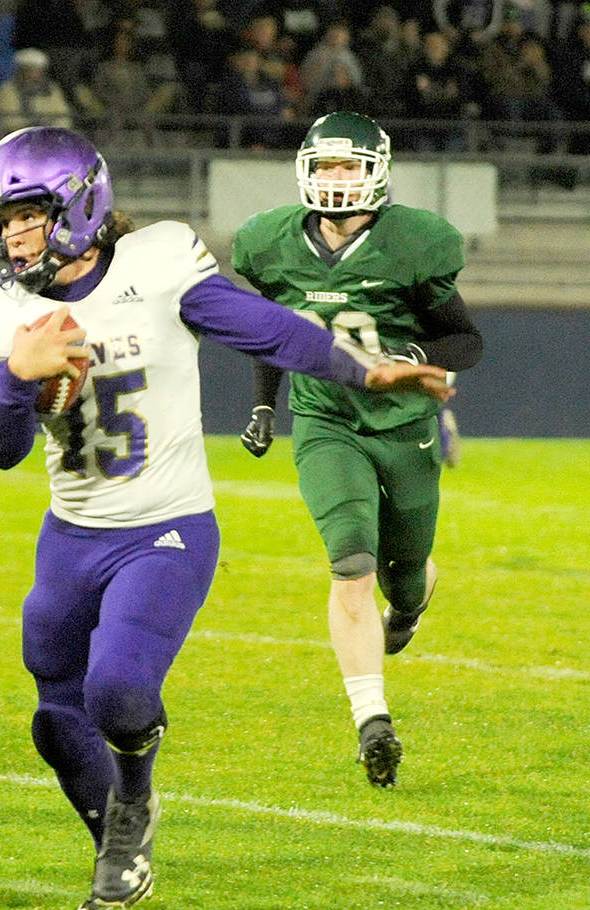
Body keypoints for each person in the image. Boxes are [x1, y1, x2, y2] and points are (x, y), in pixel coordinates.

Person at [0, 125, 453, 910]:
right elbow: (0, 448)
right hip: (71, 535)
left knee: (120, 691)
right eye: (4, 220)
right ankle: (121, 837)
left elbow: (264, 326)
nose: (13, 235)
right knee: (56, 720)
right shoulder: (0, 315)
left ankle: (132, 801)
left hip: (167, 527)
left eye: (29, 215)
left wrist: (362, 368)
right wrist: (18, 379)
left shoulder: (157, 263)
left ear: (81, 206)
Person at [231, 111, 483, 789]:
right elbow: (272, 333)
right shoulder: (271, 243)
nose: (336, 180)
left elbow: (467, 341)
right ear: (305, 171)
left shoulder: (416, 243)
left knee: (403, 577)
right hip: (326, 420)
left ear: (377, 171)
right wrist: (264, 405)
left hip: (405, 424)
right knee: (351, 563)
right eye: (326, 166)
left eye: (349, 167)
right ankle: (373, 720)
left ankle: (411, 602)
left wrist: (415, 354)